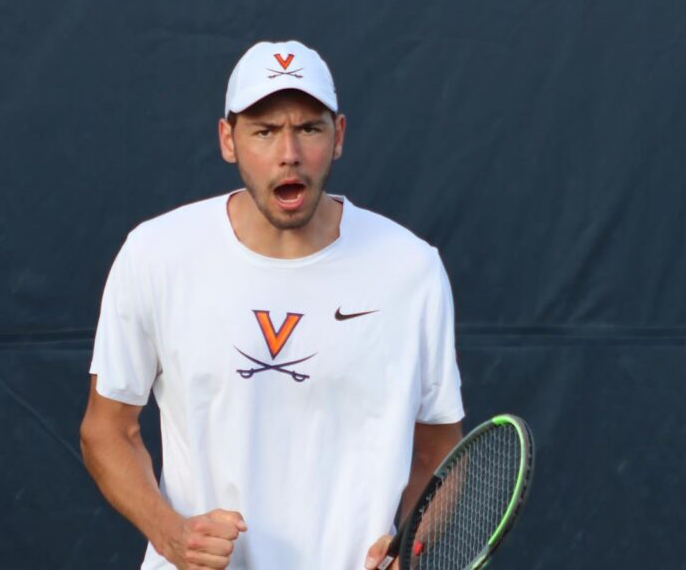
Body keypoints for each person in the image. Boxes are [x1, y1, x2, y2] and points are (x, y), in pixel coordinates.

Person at [79, 39, 464, 569]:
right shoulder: (156, 253)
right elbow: (107, 430)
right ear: (227, 140)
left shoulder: (411, 269)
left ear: (339, 137)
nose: (290, 153)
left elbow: (440, 451)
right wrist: (172, 536)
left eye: (309, 128)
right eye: (264, 131)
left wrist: (412, 550)